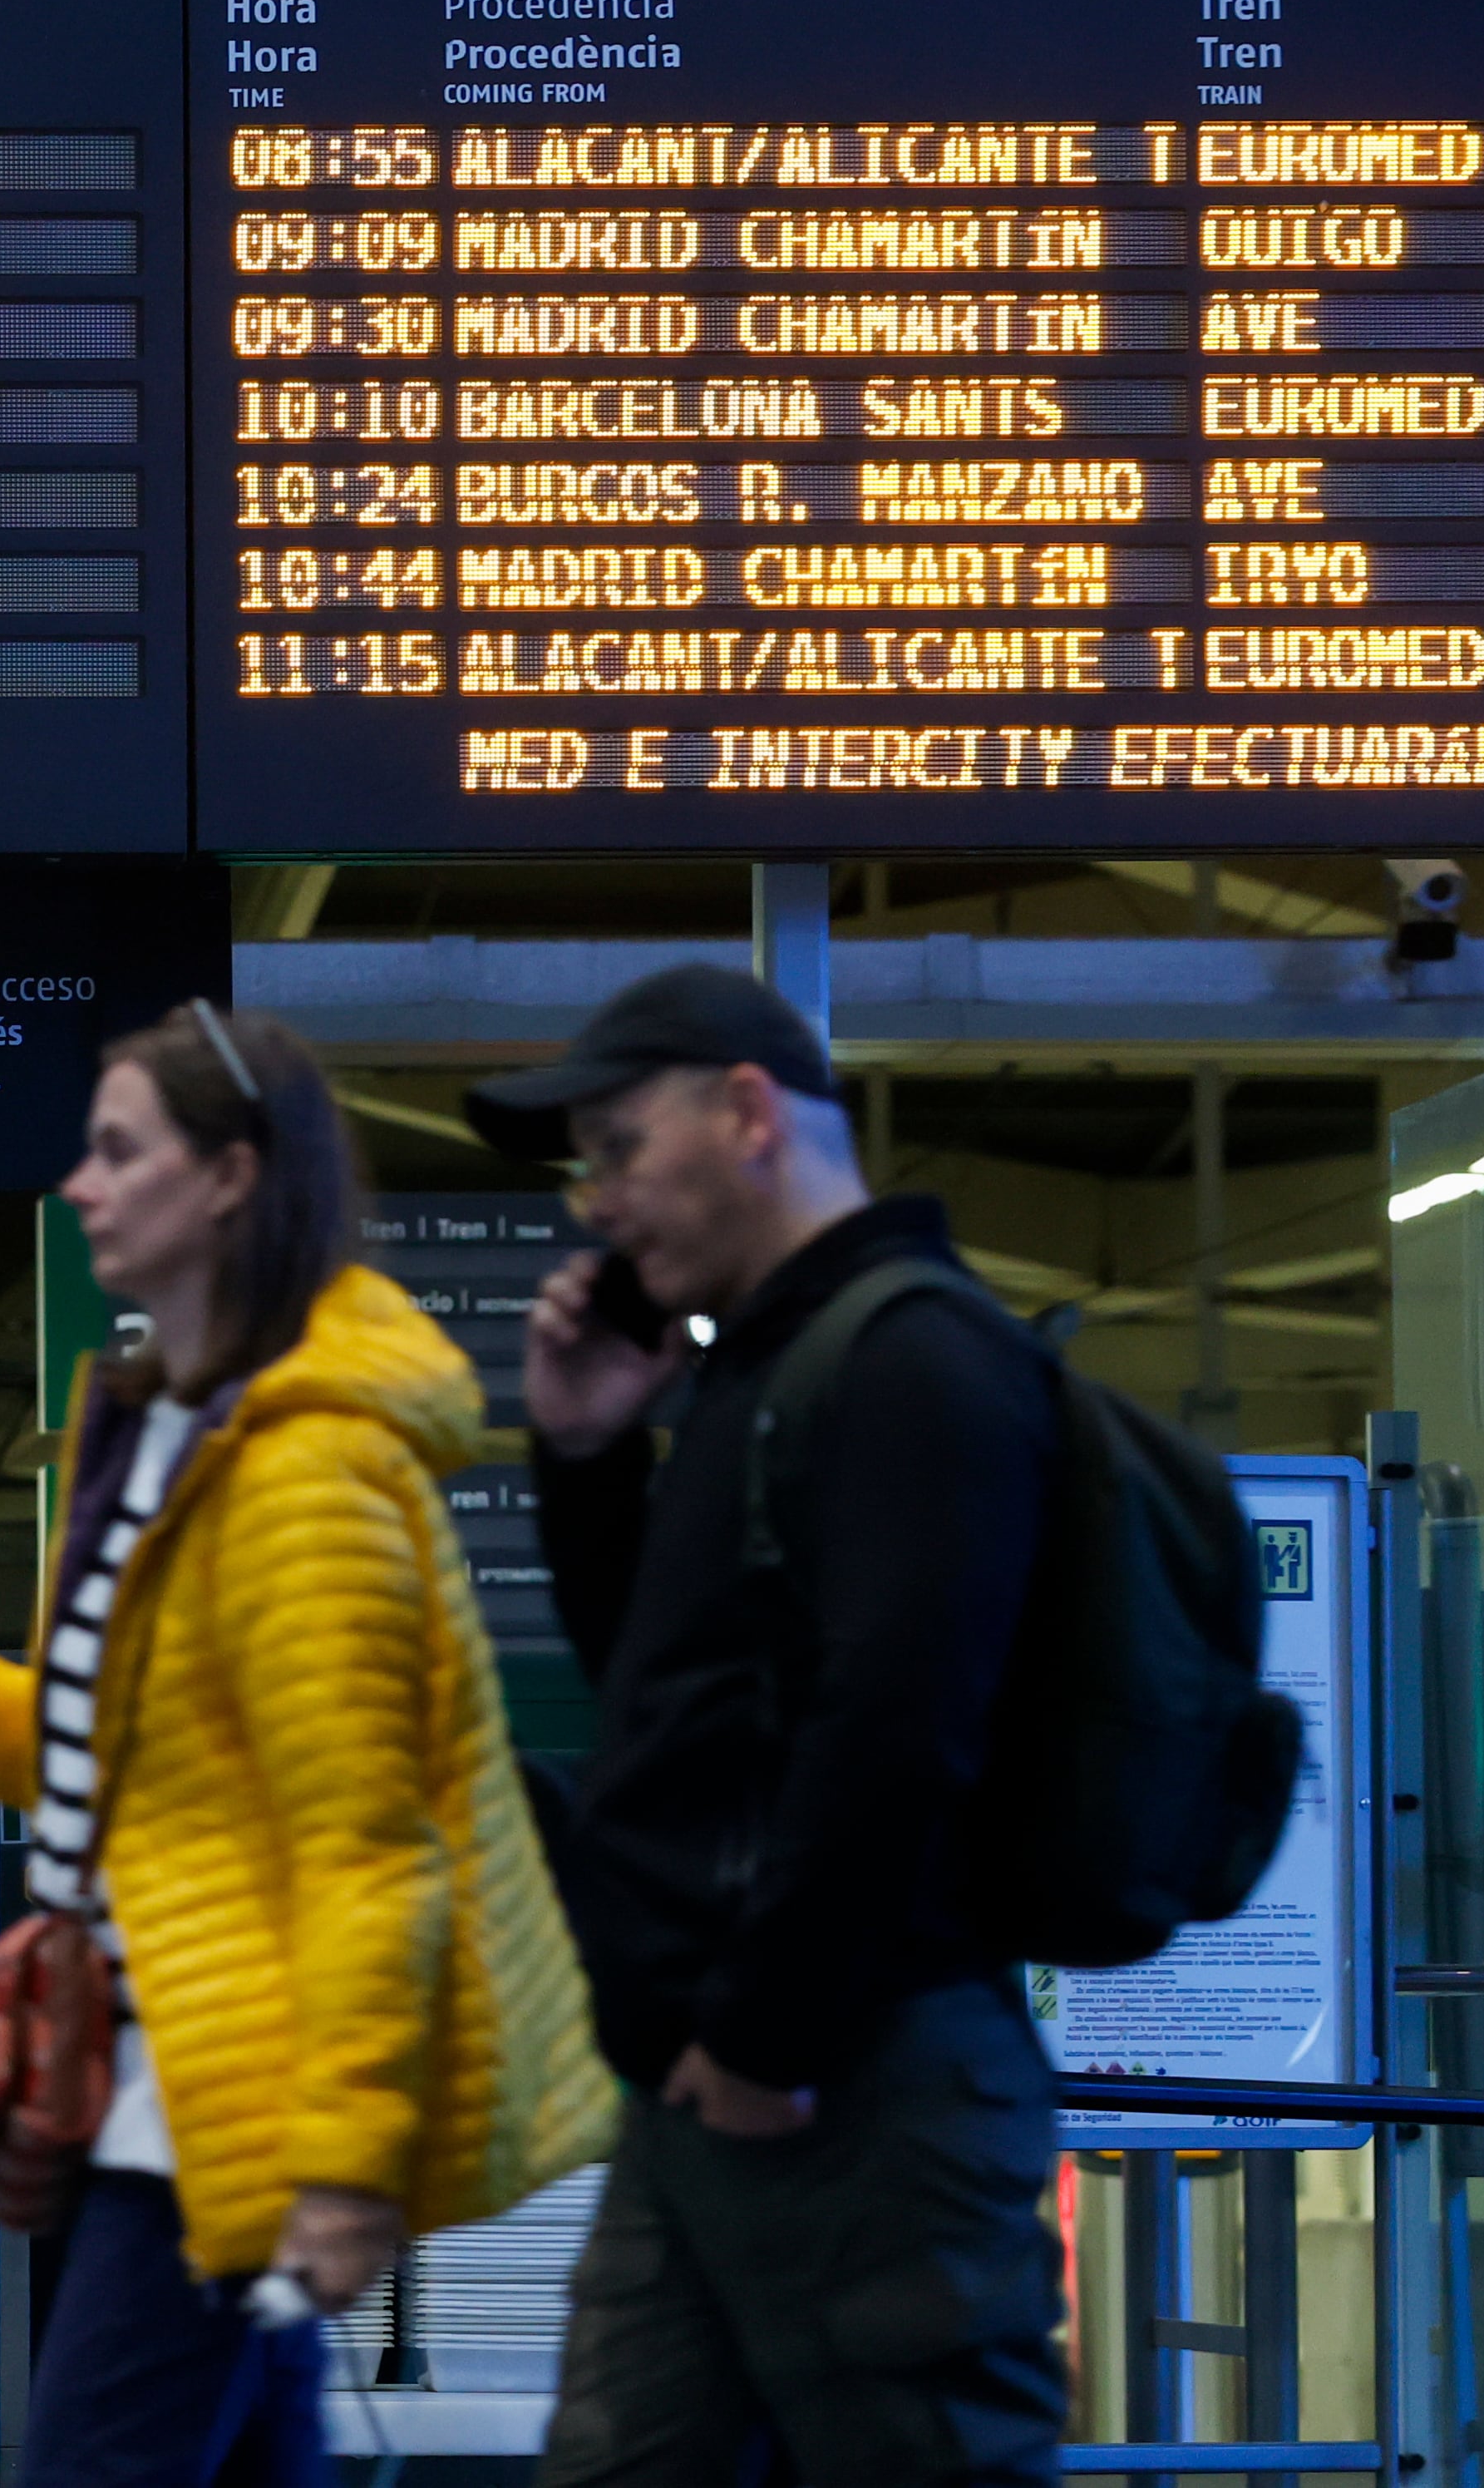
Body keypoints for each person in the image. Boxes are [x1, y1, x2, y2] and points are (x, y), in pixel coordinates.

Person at [0, 1000, 612, 2488]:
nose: (77, 1182)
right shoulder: (158, 1443)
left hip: (232, 2114)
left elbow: (364, 1847)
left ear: (227, 1179)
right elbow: (74, 1759)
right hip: (169, 2087)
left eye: (116, 1149)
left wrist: (339, 2158)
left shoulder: (306, 1474)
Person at [473, 963, 1064, 2487]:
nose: (594, 1200)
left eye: (614, 1147)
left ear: (744, 1113)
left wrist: (761, 2038)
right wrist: (587, 1458)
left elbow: (897, 1733)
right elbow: (674, 1719)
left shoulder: (911, 1358)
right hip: (725, 2087)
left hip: (855, 2090)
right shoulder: (764, 1369)